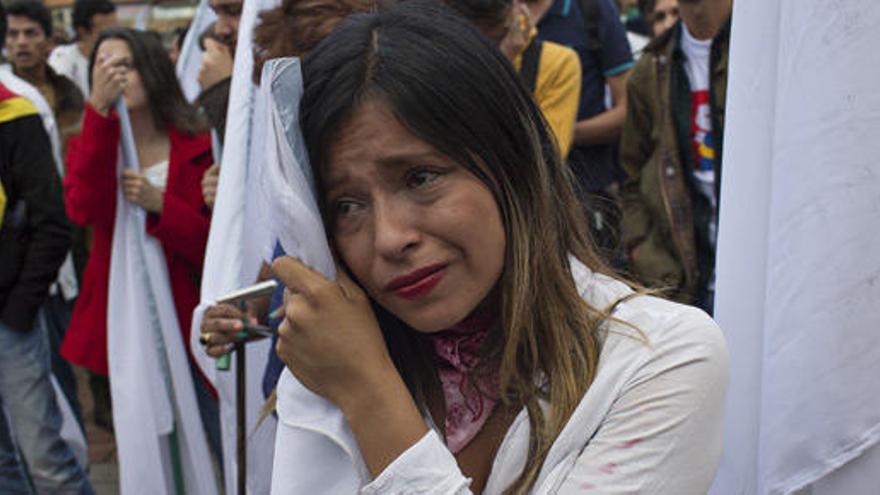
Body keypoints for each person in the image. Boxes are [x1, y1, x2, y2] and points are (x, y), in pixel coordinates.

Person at [211, 2, 726, 492]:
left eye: (420, 177)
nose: (390, 238)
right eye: (347, 206)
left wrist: (370, 391)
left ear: (511, 161)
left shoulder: (657, 362)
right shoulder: (329, 366)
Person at [61, 27, 222, 467]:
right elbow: (82, 208)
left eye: (125, 66)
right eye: (103, 66)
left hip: (195, 320)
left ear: (152, 70)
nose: (114, 76)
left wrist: (159, 207)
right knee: (153, 449)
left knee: (219, 435)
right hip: (132, 321)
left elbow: (213, 246)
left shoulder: (201, 144)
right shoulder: (93, 141)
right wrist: (96, 112)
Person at [0, 7, 92, 492]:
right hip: (20, 297)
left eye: (28, 33)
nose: (21, 42)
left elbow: (52, 221)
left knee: (46, 456)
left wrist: (18, 309)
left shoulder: (17, 107)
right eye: (12, 34)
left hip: (17, 306)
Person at [619, 0, 732, 311]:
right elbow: (631, 172)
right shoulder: (651, 68)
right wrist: (641, 248)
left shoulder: (761, 48)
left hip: (756, 265)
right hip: (680, 281)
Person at [528, 0, 634, 261]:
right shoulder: (491, 12)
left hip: (585, 197)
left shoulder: (592, 10)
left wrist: (558, 130)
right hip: (517, 201)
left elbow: (628, 111)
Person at [444, 0, 582, 158]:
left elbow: (548, 156)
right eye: (475, 42)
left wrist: (501, 65)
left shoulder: (556, 62)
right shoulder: (440, 58)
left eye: (496, 40)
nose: (484, 50)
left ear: (518, 9)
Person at [49, 0, 117, 96]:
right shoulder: (63, 57)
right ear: (82, 32)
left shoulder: (119, 58)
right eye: (105, 33)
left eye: (117, 31)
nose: (113, 37)